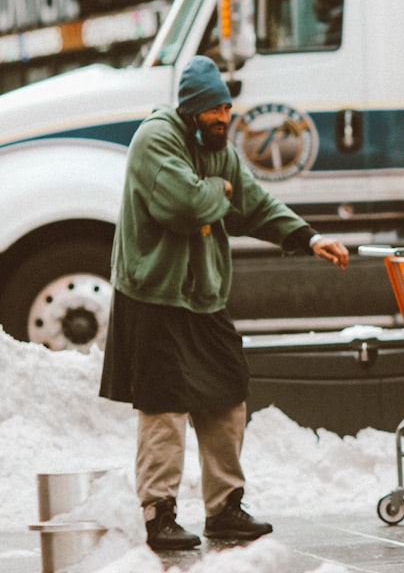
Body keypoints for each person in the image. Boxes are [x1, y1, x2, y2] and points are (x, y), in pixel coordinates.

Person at [99, 56, 350, 551]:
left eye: (226, 109)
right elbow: (184, 207)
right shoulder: (157, 139)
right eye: (213, 110)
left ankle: (224, 508)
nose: (222, 118)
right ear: (190, 111)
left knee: (227, 394)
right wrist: (216, 191)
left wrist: (306, 236)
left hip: (203, 296)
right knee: (164, 408)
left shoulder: (218, 149)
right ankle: (160, 513)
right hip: (154, 294)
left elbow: (252, 203)